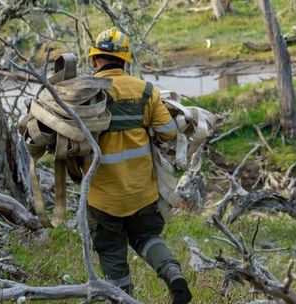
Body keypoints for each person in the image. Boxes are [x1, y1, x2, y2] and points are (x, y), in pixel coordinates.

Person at [84, 27, 192, 304]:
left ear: (96, 60)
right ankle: (172, 274)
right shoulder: (146, 91)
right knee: (146, 237)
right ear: (125, 60)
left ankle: (122, 298)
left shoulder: (81, 92)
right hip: (141, 192)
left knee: (111, 252)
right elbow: (168, 132)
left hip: (102, 196)